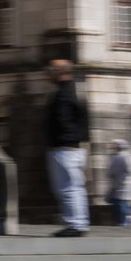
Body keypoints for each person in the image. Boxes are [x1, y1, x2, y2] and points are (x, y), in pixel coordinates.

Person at [43, 59, 91, 237]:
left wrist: (61, 138)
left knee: (68, 188)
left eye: (50, 70)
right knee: (75, 187)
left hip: (64, 147)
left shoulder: (63, 94)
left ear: (60, 72)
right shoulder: (75, 91)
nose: (47, 73)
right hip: (74, 147)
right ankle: (80, 223)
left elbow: (62, 120)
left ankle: (75, 224)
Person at [106, 138, 131, 227]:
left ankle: (125, 220)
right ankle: (123, 220)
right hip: (120, 184)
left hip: (123, 184)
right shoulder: (121, 156)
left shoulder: (124, 156)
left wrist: (124, 179)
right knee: (120, 201)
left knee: (121, 202)